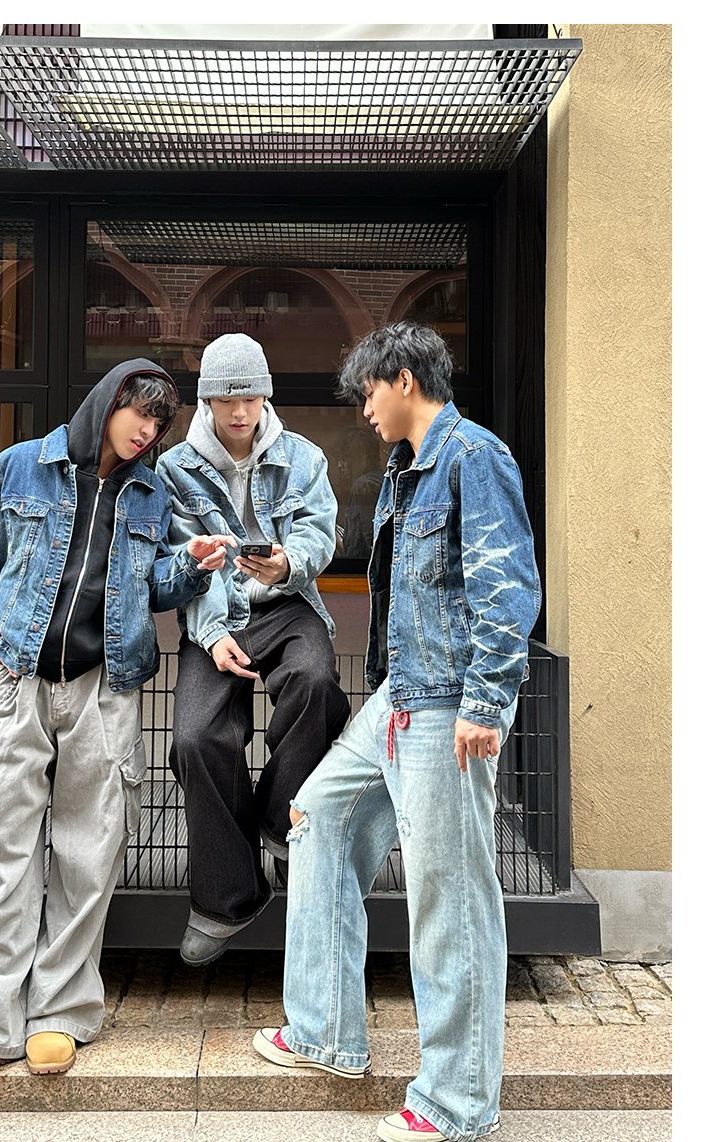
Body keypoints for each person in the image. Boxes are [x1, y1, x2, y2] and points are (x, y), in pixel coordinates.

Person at [252, 322, 541, 1142]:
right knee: (316, 818)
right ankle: (325, 1031)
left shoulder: (473, 458)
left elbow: (507, 586)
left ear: (405, 379)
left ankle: (456, 1103)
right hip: (400, 696)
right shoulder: (405, 468)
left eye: (369, 392)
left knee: (450, 900)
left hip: (450, 704)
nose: (364, 409)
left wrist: (486, 702)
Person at [0, 360, 231, 1082]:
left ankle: (59, 1013)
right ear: (107, 404)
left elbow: (151, 587)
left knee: (90, 851)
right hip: (20, 680)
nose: (148, 431)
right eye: (139, 413)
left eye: (159, 423)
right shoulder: (20, 466)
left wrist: (191, 564)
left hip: (105, 688)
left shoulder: (152, 491)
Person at [156, 332, 350, 966]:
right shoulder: (174, 470)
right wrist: (213, 635)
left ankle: (278, 822)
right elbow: (184, 560)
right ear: (207, 402)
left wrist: (290, 563)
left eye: (250, 397)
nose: (240, 411)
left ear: (266, 395)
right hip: (214, 613)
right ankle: (228, 896)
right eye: (226, 399)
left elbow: (320, 530)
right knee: (196, 737)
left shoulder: (303, 457)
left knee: (316, 682)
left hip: (287, 604)